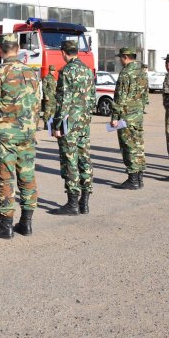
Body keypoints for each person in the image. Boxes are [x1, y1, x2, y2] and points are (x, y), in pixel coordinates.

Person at [0, 34, 40, 238]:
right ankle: (26, 223)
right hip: (27, 133)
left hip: (5, 135)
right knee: (27, 176)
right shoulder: (31, 73)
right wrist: (33, 128)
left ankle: (6, 226)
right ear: (18, 48)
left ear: (0, 49)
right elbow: (37, 103)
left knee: (5, 179)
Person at [52, 40, 96, 215]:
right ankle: (84, 202)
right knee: (84, 159)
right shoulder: (86, 70)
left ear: (63, 52)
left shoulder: (66, 71)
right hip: (84, 122)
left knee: (70, 161)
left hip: (69, 124)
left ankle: (72, 204)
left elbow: (63, 101)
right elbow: (92, 98)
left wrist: (57, 125)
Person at [111, 48, 149, 189]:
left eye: (121, 57)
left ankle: (133, 179)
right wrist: (139, 109)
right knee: (138, 145)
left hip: (126, 116)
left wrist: (115, 117)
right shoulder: (142, 72)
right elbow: (145, 96)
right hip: (137, 115)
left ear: (126, 57)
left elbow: (119, 98)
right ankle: (139, 178)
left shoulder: (126, 73)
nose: (120, 60)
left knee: (128, 146)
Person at [41, 64, 57, 130]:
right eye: (51, 70)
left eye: (53, 70)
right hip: (49, 97)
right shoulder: (46, 78)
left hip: (54, 97)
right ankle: (45, 124)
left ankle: (50, 124)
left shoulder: (54, 78)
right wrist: (46, 96)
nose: (52, 71)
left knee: (53, 111)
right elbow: (44, 87)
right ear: (49, 70)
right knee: (47, 111)